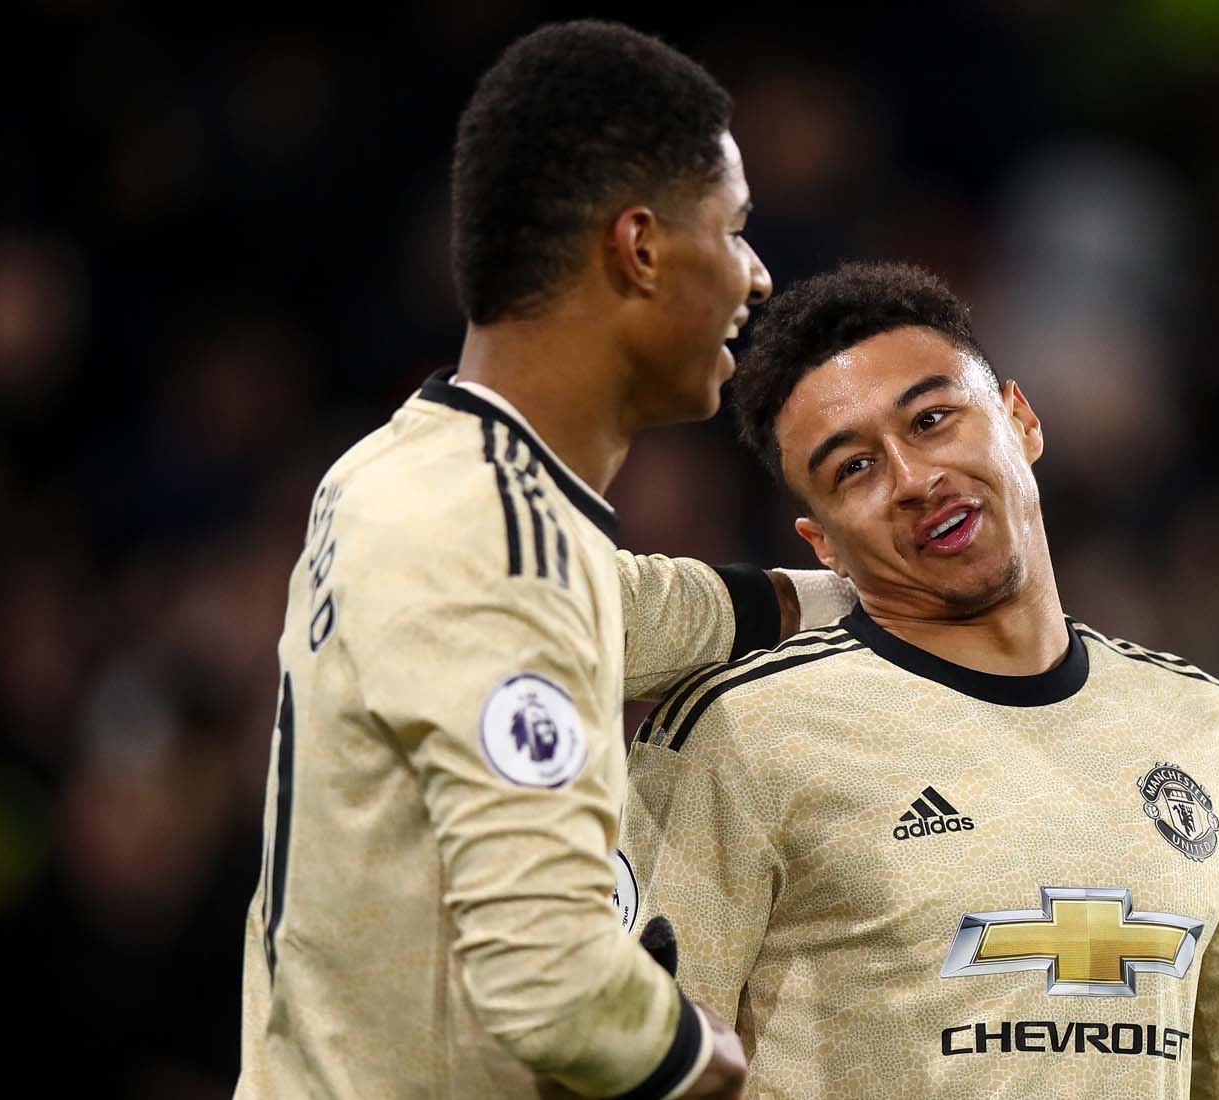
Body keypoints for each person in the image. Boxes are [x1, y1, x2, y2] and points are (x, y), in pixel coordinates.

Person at [235, 21, 848, 1100]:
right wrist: (707, 1057)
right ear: (639, 248)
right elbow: (553, 984)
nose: (756, 277)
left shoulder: (399, 473)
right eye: (735, 229)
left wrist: (832, 599)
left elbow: (604, 605)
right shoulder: (497, 538)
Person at [621, 262, 1219, 1099]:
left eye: (931, 420)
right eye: (855, 468)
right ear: (823, 544)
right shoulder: (743, 733)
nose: (914, 480)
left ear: (1021, 419)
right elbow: (636, 1068)